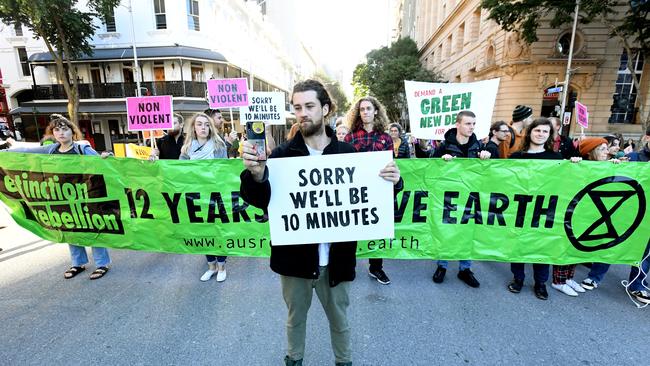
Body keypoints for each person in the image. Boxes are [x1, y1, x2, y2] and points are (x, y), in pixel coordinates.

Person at [240, 79, 402, 366]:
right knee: (295, 321)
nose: (303, 113)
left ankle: (344, 362)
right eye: (297, 107)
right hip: (294, 261)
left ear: (325, 109)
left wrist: (395, 181)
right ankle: (294, 360)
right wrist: (256, 174)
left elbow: (377, 199)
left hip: (337, 260)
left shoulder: (348, 155)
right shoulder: (279, 156)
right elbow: (260, 200)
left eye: (310, 106)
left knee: (340, 322)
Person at [2, 114, 111, 280]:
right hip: (64, 198)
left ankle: (102, 264)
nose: (61, 133)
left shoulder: (82, 149)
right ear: (53, 133)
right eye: (57, 130)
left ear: (72, 132)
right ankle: (78, 263)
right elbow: (26, 152)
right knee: (69, 229)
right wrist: (5, 152)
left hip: (86, 197)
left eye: (65, 129)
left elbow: (101, 164)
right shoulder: (51, 150)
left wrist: (105, 156)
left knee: (93, 228)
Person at [430, 110, 489, 288]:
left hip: (471, 197)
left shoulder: (478, 146)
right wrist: (441, 161)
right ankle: (442, 266)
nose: (471, 127)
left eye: (473, 124)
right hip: (449, 197)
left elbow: (489, 173)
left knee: (468, 232)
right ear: (458, 124)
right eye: (467, 123)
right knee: (447, 231)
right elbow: (431, 167)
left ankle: (465, 269)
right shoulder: (444, 145)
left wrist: (486, 159)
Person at [507, 117, 562, 300]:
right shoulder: (516, 157)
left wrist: (576, 164)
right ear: (530, 132)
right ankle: (518, 279)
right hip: (520, 209)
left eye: (545, 131)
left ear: (550, 135)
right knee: (518, 245)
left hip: (544, 210)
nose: (541, 134)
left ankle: (540, 283)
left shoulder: (556, 159)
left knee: (542, 247)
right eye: (537, 130)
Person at [344, 96, 395, 285]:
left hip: (378, 192)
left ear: (376, 111)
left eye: (368, 108)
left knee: (376, 230)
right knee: (353, 229)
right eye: (362, 109)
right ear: (358, 113)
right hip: (355, 192)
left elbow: (391, 166)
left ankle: (376, 268)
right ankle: (348, 267)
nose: (365, 112)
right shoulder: (350, 137)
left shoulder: (385, 138)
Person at [180, 112, 229, 282]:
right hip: (196, 197)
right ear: (193, 127)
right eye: (199, 124)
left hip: (216, 196)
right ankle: (211, 266)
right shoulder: (186, 150)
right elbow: (178, 172)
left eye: (206, 124)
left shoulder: (219, 146)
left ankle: (222, 266)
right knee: (204, 231)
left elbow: (225, 172)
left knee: (217, 231)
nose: (203, 127)